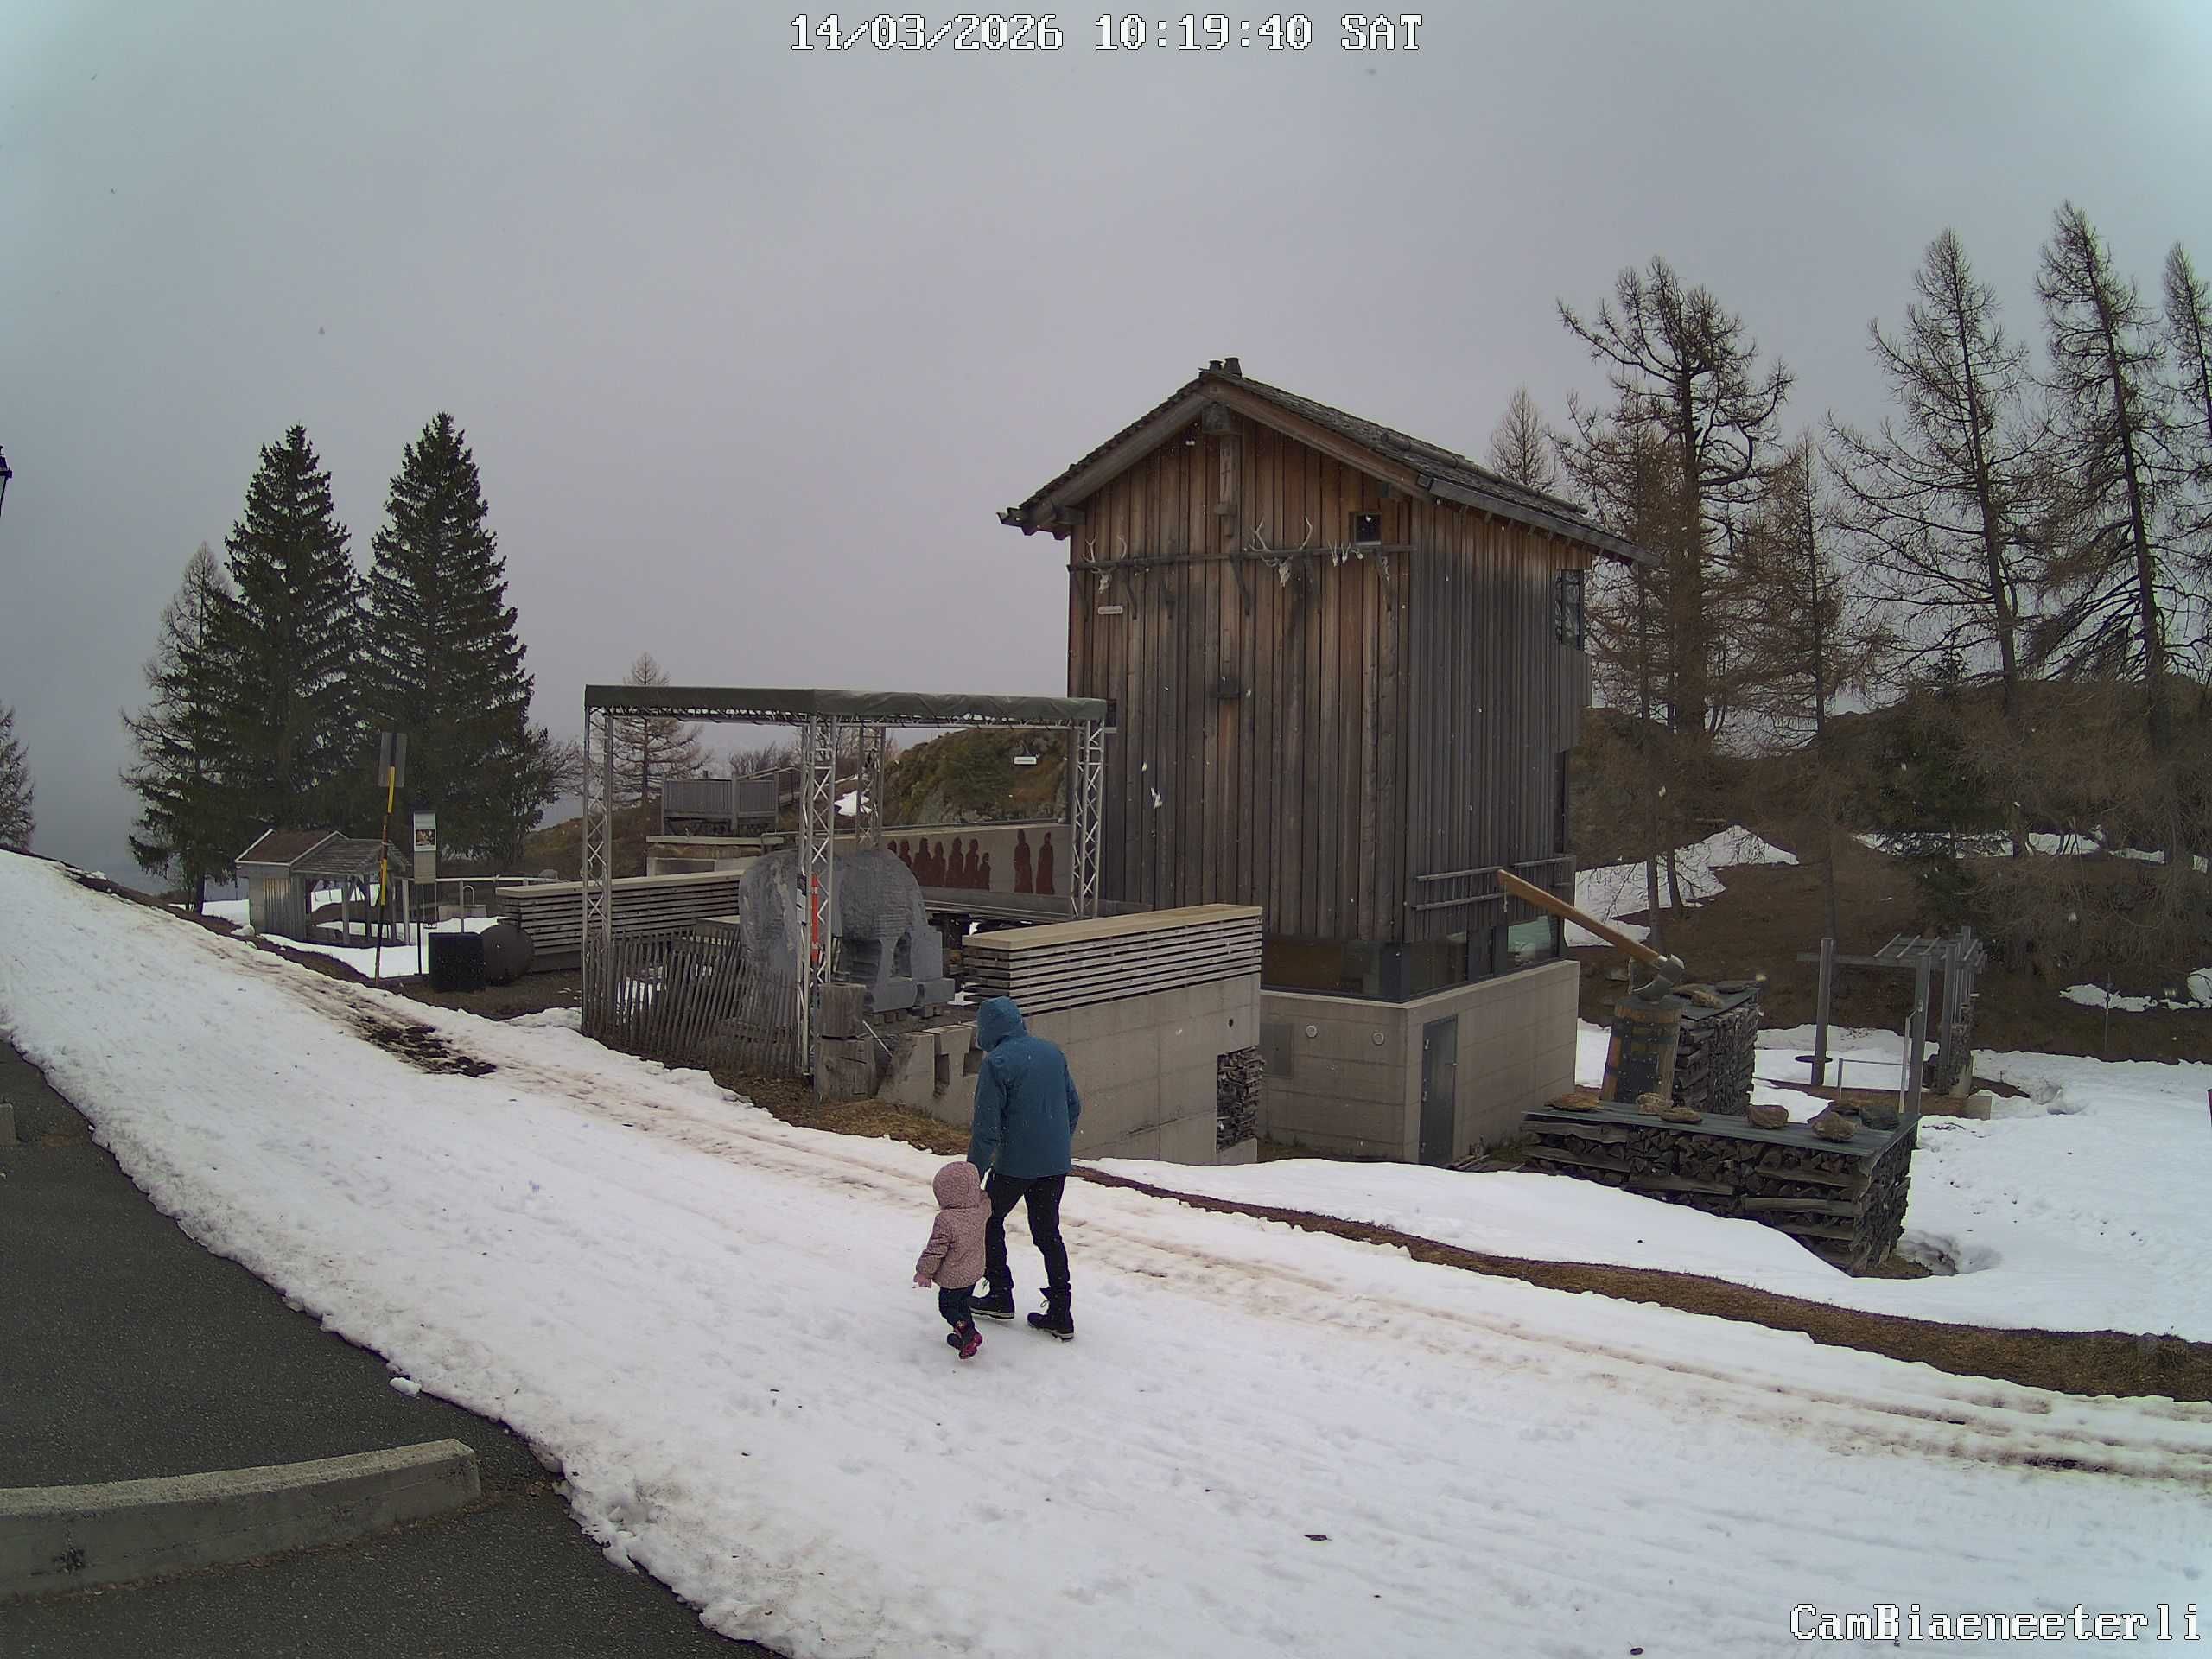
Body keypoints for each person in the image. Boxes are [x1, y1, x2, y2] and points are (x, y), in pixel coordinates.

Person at [966, 996, 1082, 1339]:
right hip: (1054, 1163)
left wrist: (974, 1174)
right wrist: (1056, 1142)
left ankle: (1001, 1294)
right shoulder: (1051, 1052)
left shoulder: (997, 1063)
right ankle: (1061, 1312)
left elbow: (987, 1129)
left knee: (986, 1219)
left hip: (1015, 1163)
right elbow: (1074, 1105)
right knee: (1048, 1233)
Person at [913, 1159, 988, 1359]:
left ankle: (965, 1332)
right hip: (973, 1272)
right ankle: (970, 1333)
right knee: (963, 1303)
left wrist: (924, 1271)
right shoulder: (981, 1210)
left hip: (954, 1278)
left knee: (948, 1307)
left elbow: (936, 1250)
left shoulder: (946, 1220)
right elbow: (985, 1197)